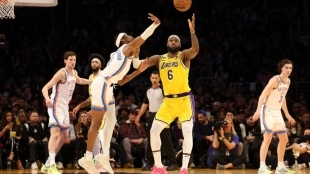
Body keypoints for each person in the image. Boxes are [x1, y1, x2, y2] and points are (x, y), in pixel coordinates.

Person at [78, 13, 161, 174]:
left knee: (111, 120)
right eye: (129, 36)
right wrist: (155, 25)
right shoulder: (125, 49)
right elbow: (141, 38)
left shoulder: (126, 57)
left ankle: (104, 154)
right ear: (123, 40)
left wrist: (140, 70)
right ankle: (88, 157)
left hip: (108, 86)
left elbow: (122, 81)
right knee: (97, 123)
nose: (132, 37)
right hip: (101, 83)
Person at [144, 13, 199, 174]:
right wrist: (134, 55)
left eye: (176, 41)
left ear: (179, 44)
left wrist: (192, 32)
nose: (173, 42)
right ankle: (159, 166)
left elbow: (195, 49)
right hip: (168, 102)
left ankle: (184, 168)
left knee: (187, 131)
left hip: (184, 100)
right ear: (167, 43)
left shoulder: (183, 56)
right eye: (171, 40)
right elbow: (142, 64)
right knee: (154, 131)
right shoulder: (159, 58)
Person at [41, 51, 91, 174]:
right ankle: (52, 164)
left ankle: (46, 164)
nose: (73, 62)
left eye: (74, 59)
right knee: (56, 133)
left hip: (64, 107)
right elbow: (45, 88)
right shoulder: (61, 73)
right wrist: (47, 99)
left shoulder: (74, 73)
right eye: (70, 60)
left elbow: (79, 80)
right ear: (65, 61)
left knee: (64, 136)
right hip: (55, 105)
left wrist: (93, 81)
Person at [252, 59, 296, 174]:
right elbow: (262, 95)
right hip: (267, 110)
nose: (288, 70)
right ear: (281, 68)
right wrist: (257, 110)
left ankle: (280, 166)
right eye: (286, 67)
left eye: (290, 68)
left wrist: (287, 114)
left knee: (284, 138)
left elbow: (283, 98)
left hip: (277, 112)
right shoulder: (275, 80)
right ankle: (262, 167)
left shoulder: (288, 81)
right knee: (268, 137)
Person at [135, 71, 178, 171]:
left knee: (166, 139)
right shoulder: (148, 90)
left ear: (159, 79)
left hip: (163, 115)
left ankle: (173, 162)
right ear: (150, 78)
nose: (154, 80)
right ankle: (150, 162)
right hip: (152, 115)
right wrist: (139, 116)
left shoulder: (164, 89)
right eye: (153, 78)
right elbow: (145, 104)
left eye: (156, 78)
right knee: (151, 139)